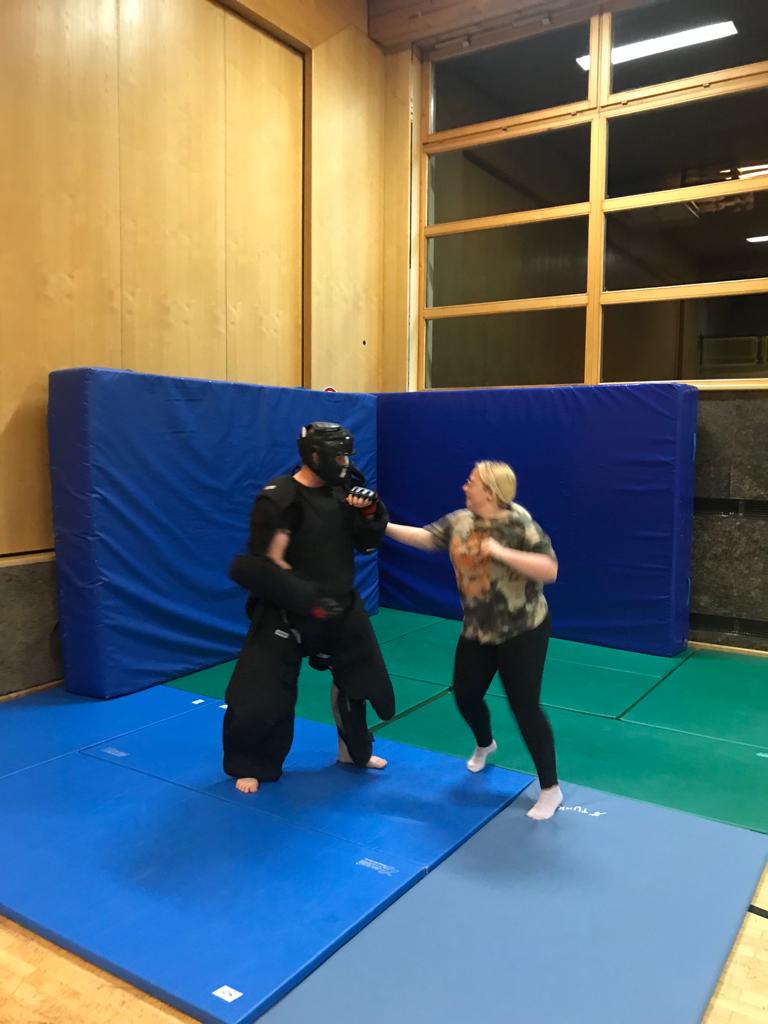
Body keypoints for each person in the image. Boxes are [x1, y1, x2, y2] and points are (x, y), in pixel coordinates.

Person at [222, 421, 395, 793]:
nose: (345, 464)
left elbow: (367, 543)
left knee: (359, 681)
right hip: (287, 609)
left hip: (338, 604)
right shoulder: (282, 497)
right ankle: (252, 764)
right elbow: (266, 562)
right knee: (260, 693)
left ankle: (353, 752)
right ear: (315, 456)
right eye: (338, 457)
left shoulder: (345, 491)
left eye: (347, 456)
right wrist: (306, 598)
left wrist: (368, 513)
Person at [385, 461, 562, 820]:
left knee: (525, 707)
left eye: (471, 483)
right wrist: (381, 525)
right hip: (478, 629)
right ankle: (485, 742)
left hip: (523, 630)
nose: (465, 487)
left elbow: (549, 569)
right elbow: (427, 538)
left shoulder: (519, 524)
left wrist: (500, 552)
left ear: (491, 493)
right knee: (465, 695)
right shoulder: (461, 520)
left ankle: (550, 788)